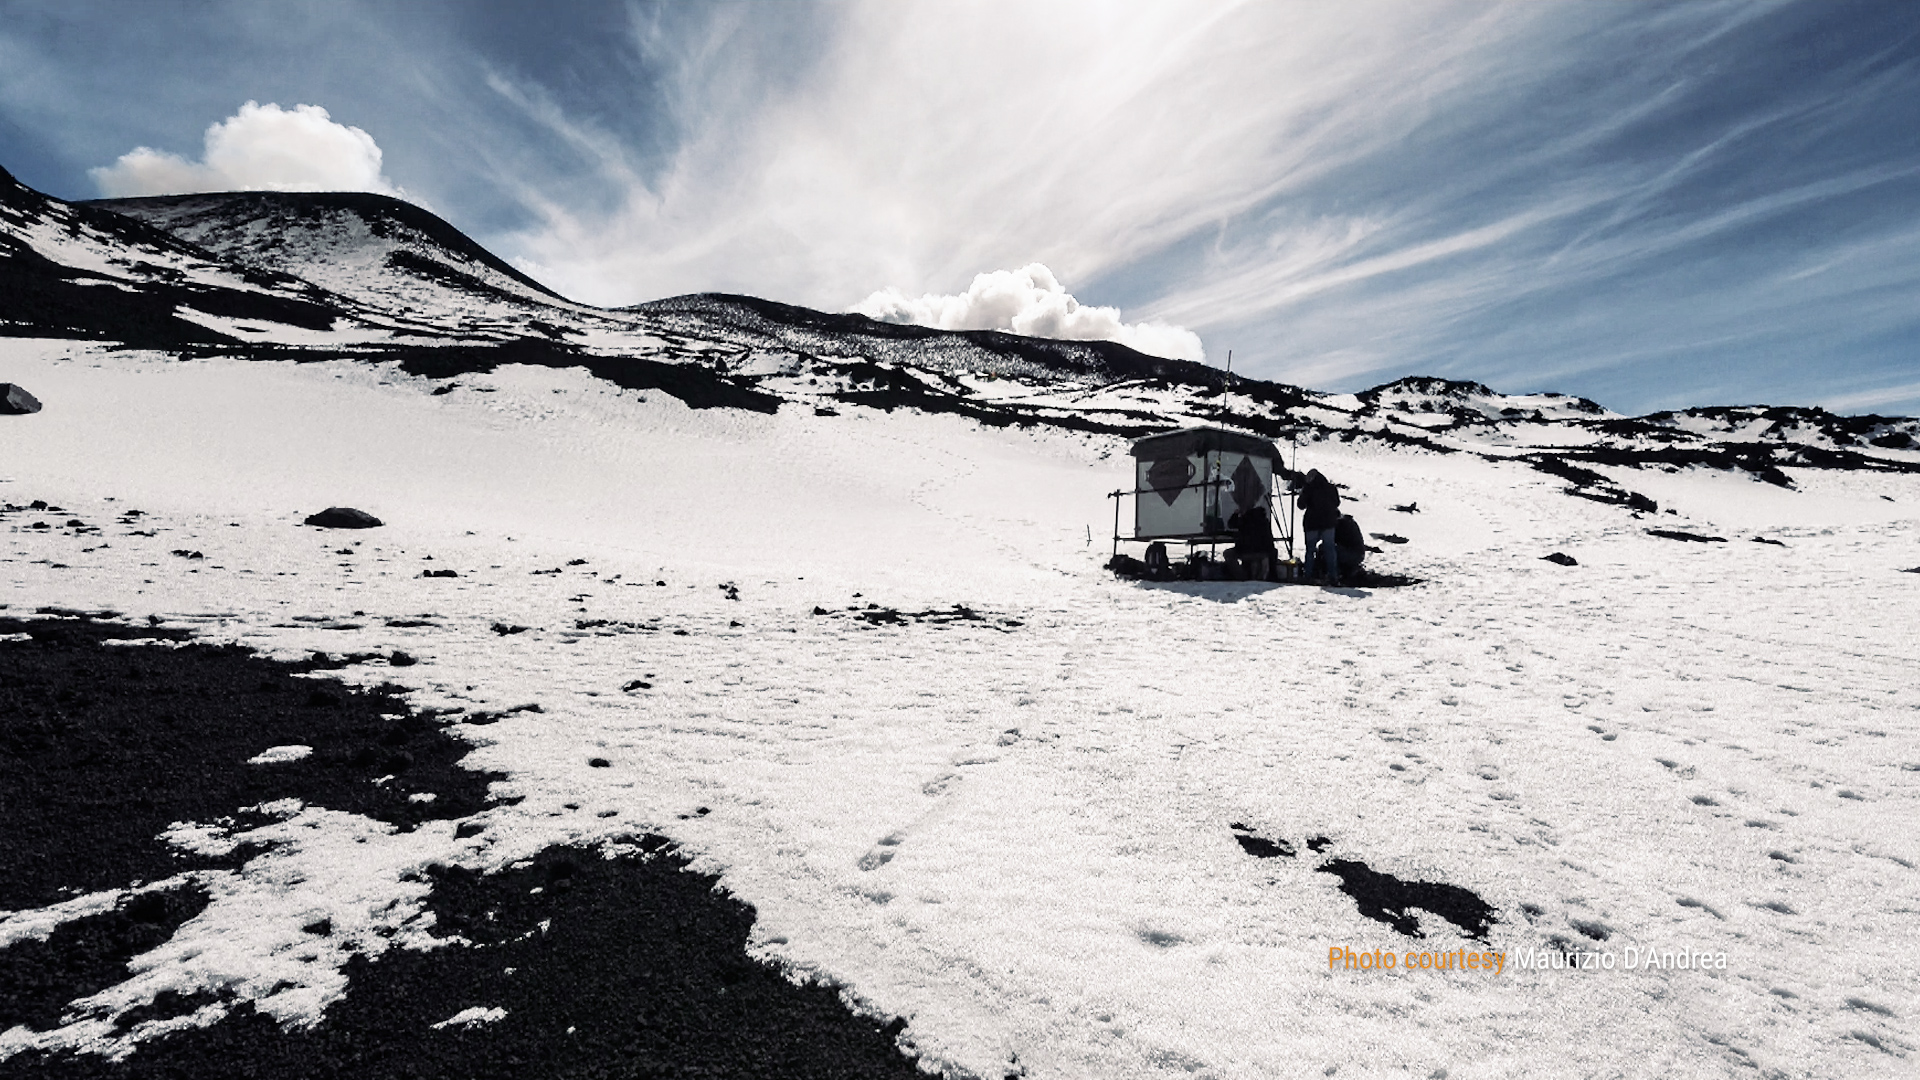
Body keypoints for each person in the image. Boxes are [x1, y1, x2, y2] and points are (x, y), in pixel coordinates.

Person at [1295, 468, 1341, 585]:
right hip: (1328, 523)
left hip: (1312, 524)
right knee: (1330, 550)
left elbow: (1301, 505)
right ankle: (1333, 576)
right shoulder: (1331, 488)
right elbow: (1337, 503)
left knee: (1310, 550)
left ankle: (1308, 576)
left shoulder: (1308, 488)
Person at [1226, 502, 1277, 581]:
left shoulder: (1244, 520)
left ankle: (1241, 577)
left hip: (1245, 550)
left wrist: (1235, 514)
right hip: (1263, 551)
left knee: (1228, 553)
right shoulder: (1264, 520)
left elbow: (1231, 524)